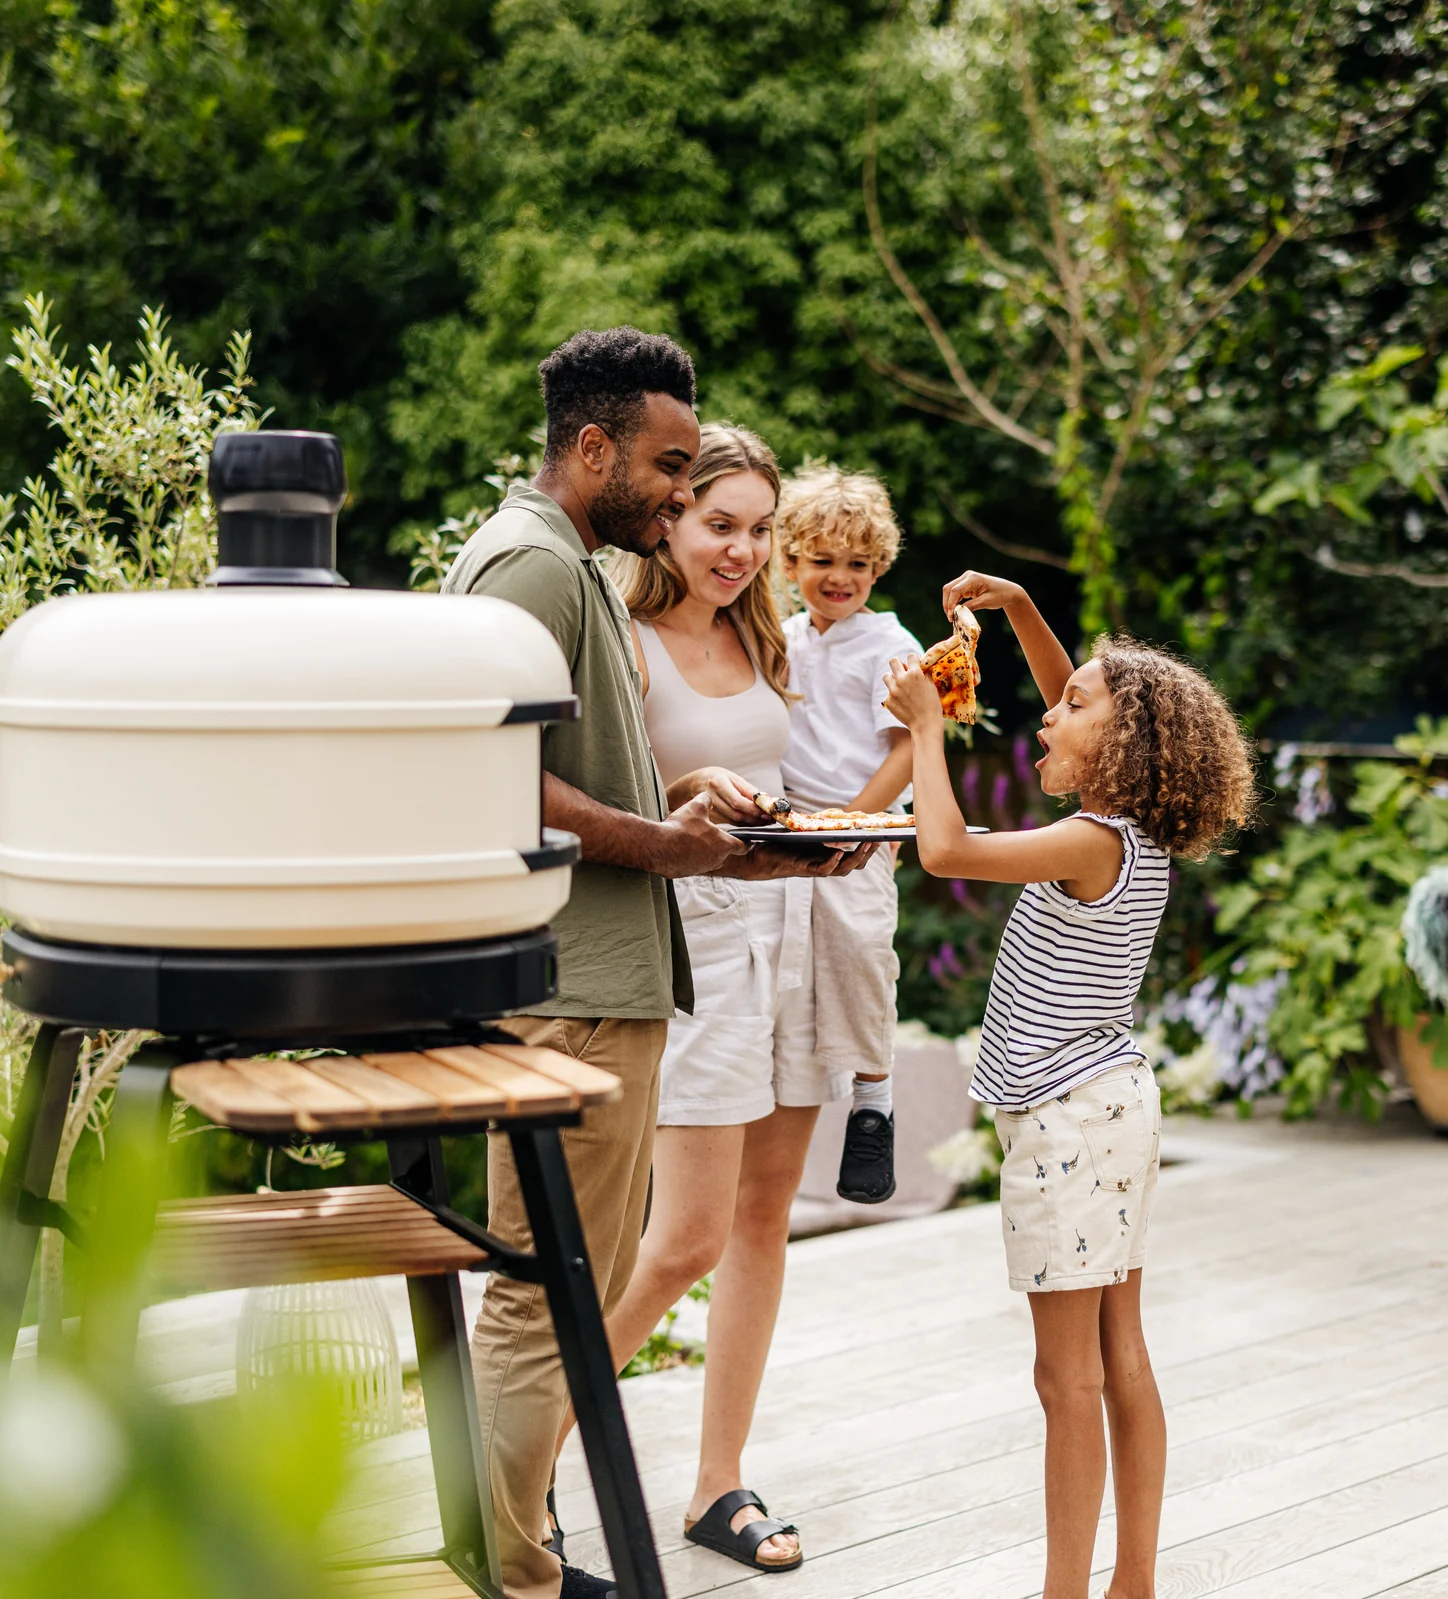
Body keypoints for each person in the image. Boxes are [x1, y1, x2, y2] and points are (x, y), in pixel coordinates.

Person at [440, 332, 868, 1599]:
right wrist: (676, 851)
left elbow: (569, 769)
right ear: (593, 448)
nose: (681, 501)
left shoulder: (567, 560)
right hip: (570, 986)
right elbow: (478, 769)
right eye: (671, 471)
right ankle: (514, 1569)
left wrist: (684, 801)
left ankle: (510, 1548)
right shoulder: (533, 567)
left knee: (563, 1283)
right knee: (544, 1293)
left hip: (602, 978)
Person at [881, 571, 1257, 1599]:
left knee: (1065, 1379)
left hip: (1064, 1128)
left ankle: (1064, 1591)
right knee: (1120, 1353)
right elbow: (1085, 702)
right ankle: (1129, 1581)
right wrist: (1017, 613)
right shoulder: (1127, 831)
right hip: (1111, 1111)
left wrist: (924, 724)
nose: (1047, 714)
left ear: (1119, 749)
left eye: (1069, 707)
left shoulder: (1086, 842)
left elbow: (947, 848)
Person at [581, 423, 854, 1576]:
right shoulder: (622, 641)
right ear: (670, 519)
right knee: (683, 1236)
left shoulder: (766, 639)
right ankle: (526, 1453)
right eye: (716, 524)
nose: (739, 551)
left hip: (785, 936)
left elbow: (786, 782)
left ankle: (715, 1483)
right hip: (683, 950)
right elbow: (613, 799)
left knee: (760, 1219)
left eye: (756, 530)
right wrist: (690, 782)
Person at [775, 467, 923, 1204]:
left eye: (858, 564)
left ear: (879, 568)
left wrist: (859, 818)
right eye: (823, 559)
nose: (841, 577)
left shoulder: (890, 643)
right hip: (786, 818)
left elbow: (905, 747)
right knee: (790, 964)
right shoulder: (780, 637)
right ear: (792, 560)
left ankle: (874, 1101)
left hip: (861, 821)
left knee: (862, 951)